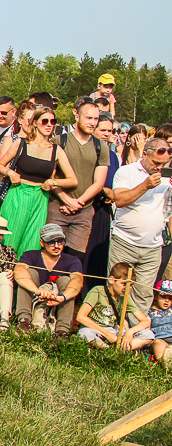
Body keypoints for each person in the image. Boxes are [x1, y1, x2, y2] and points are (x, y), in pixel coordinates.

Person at [0, 105, 77, 257]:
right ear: (35, 122)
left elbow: (72, 180)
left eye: (53, 121)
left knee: (31, 245)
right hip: (18, 195)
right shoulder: (21, 143)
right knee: (9, 242)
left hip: (40, 198)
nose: (49, 125)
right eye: (45, 121)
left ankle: (22, 272)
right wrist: (10, 172)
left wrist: (53, 182)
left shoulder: (56, 150)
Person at [109, 136, 172, 313]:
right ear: (144, 153)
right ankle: (114, 325)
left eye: (164, 164)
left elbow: (169, 213)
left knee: (143, 294)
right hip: (124, 242)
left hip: (153, 246)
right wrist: (145, 185)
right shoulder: (126, 171)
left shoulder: (167, 177)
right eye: (155, 163)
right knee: (117, 289)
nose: (159, 167)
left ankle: (136, 328)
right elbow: (119, 200)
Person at [47, 97, 110, 262]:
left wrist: (77, 203)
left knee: (75, 259)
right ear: (77, 116)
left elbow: (99, 183)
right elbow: (49, 177)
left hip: (84, 210)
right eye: (89, 118)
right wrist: (67, 200)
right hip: (57, 207)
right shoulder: (60, 141)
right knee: (52, 256)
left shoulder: (101, 147)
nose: (92, 123)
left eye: (96, 119)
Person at [13, 223, 84, 336]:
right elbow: (19, 271)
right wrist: (37, 291)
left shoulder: (72, 260)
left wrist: (62, 297)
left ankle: (62, 331)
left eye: (60, 241)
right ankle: (23, 322)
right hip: (34, 298)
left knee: (66, 281)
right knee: (30, 272)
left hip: (58, 301)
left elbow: (78, 281)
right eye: (51, 242)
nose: (56, 246)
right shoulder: (31, 255)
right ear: (42, 243)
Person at [84, 113, 122, 291]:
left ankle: (93, 293)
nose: (107, 134)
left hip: (103, 210)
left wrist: (111, 193)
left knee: (98, 254)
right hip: (86, 206)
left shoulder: (113, 156)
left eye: (110, 131)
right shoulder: (88, 151)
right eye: (103, 130)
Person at [76, 262, 154, 350]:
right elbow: (80, 317)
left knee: (148, 334)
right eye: (124, 284)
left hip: (114, 331)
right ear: (112, 280)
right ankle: (109, 350)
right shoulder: (97, 291)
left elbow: (145, 321)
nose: (127, 288)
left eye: (131, 285)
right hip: (94, 330)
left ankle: (121, 349)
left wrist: (130, 332)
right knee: (84, 334)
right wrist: (107, 334)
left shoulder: (125, 297)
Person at [149, 279, 172, 369]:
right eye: (163, 297)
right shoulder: (149, 311)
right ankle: (165, 364)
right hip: (159, 339)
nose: (167, 301)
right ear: (155, 296)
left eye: (170, 298)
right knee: (158, 345)